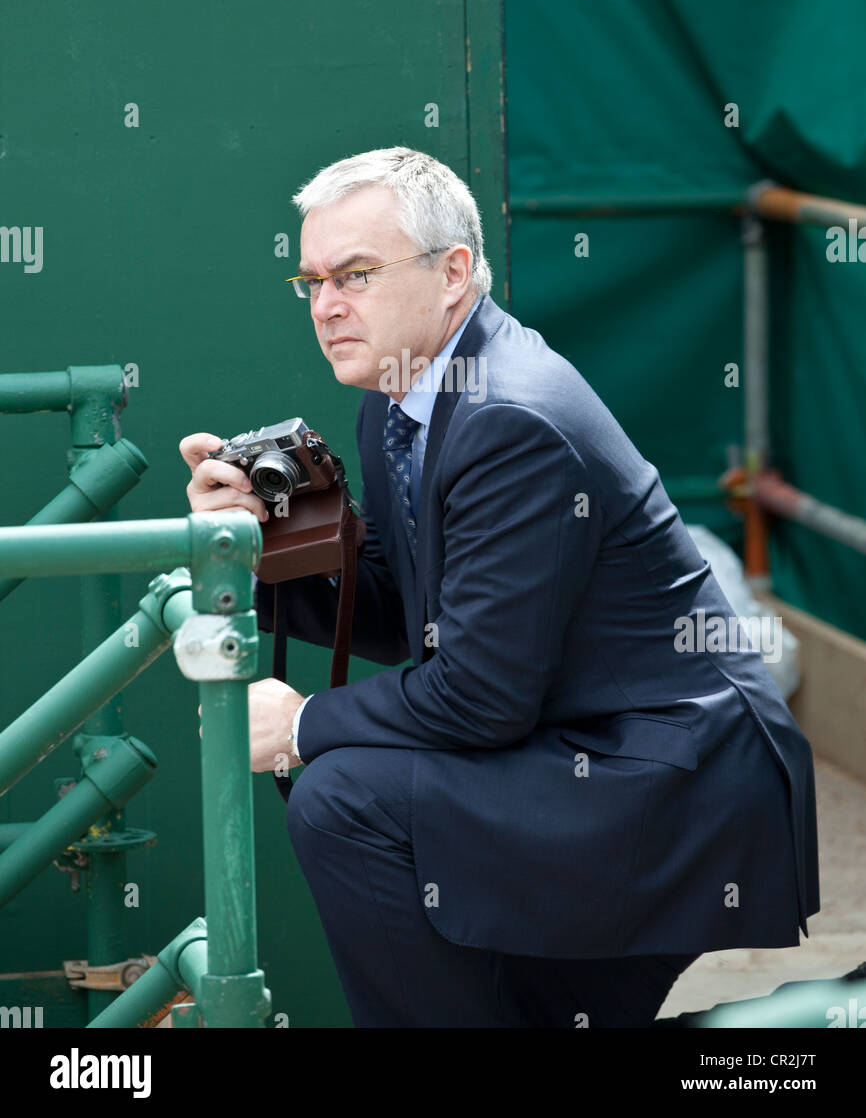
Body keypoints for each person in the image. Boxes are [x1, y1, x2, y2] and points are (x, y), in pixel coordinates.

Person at [179, 145, 820, 1029]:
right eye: (313, 281)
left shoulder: (509, 418)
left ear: (452, 275)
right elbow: (414, 618)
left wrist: (298, 724)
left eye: (356, 276)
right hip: (586, 751)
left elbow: (478, 698)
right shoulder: (399, 395)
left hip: (673, 777)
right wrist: (251, 549)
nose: (326, 307)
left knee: (341, 795)